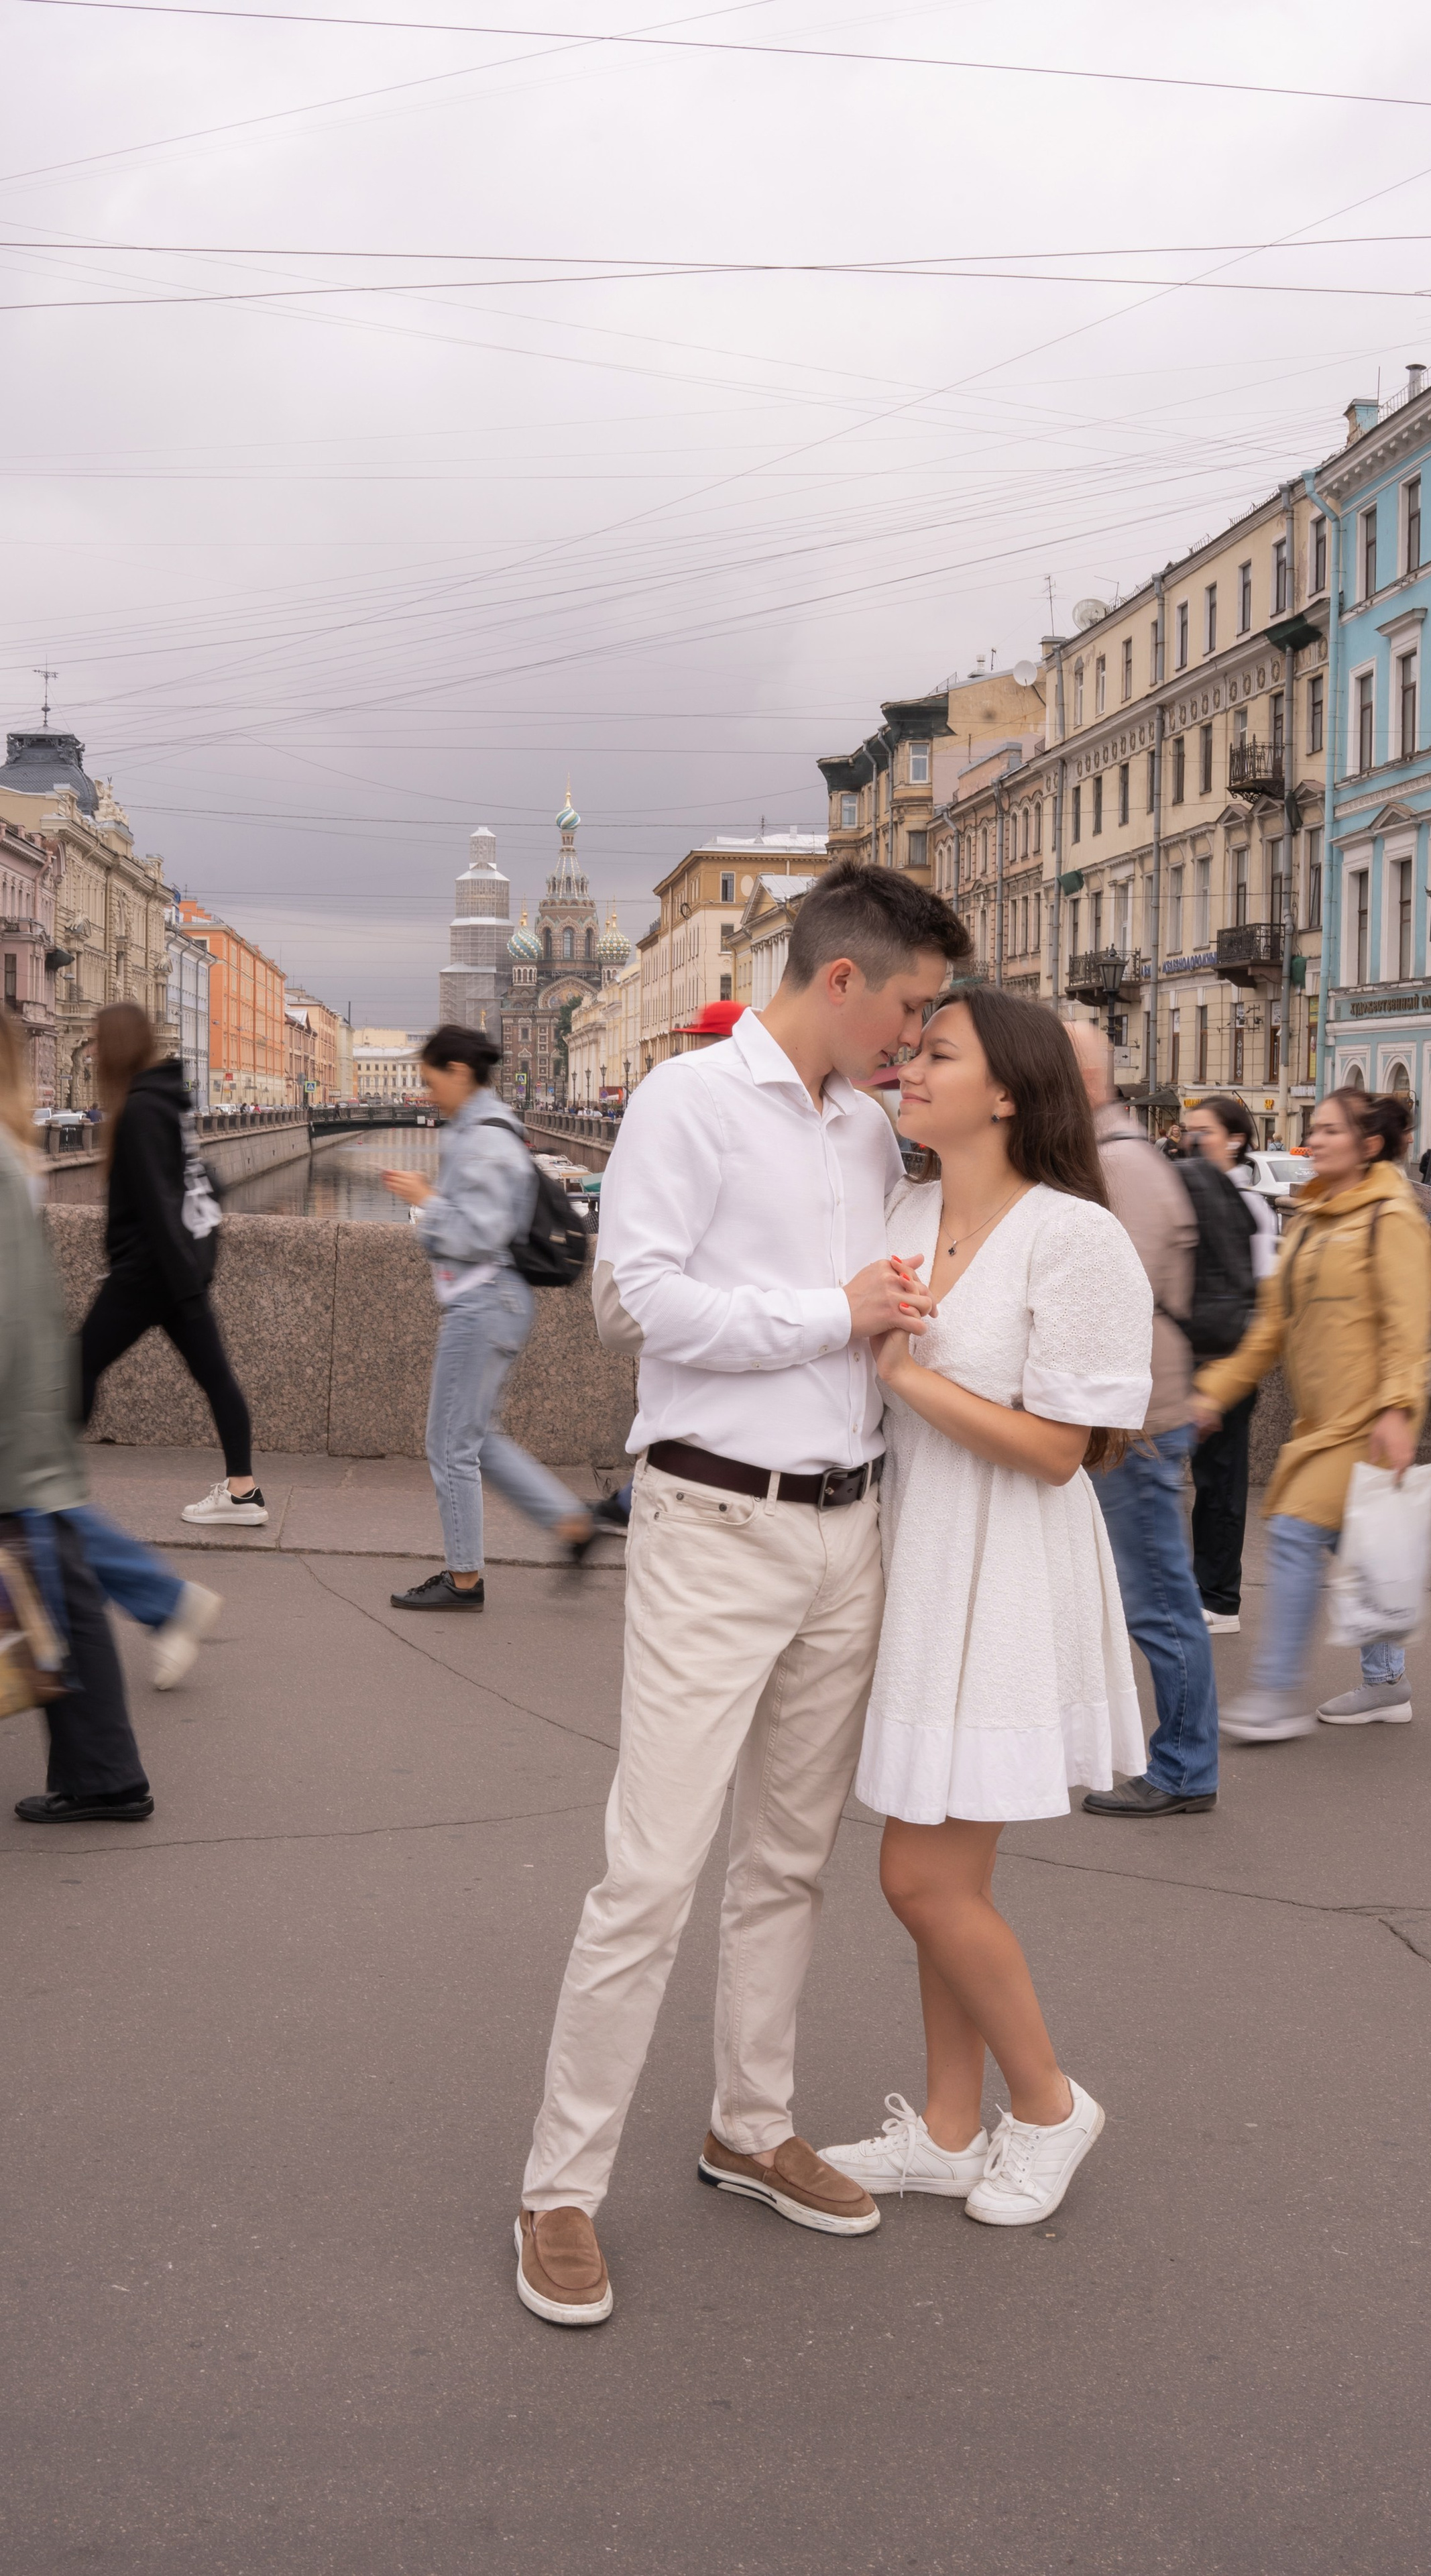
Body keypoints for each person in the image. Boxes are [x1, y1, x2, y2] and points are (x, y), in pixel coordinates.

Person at [516, 859, 966, 2329]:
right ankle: (558, 2190)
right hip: (716, 1519)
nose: (915, 1036)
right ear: (841, 981)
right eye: (909, 1007)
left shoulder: (867, 1130)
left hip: (851, 1528)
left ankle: (748, 2122)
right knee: (650, 1871)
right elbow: (628, 1301)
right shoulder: (685, 1103)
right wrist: (827, 1315)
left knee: (787, 1860)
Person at [819, 991, 1152, 2222]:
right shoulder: (906, 1210)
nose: (906, 1067)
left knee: (923, 1880)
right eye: (909, 1052)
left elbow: (1065, 1447)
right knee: (941, 1875)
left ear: (1008, 1091)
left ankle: (1052, 2105)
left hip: (1008, 1566)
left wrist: (902, 1371)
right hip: (925, 1554)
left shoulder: (1073, 1235)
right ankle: (951, 2131)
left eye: (934, 1054)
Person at [1193, 1087, 1431, 1742]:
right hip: (1321, 1419)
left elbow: (1409, 1327)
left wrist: (1396, 1408)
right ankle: (1386, 1683)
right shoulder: (1314, 1216)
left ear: (1370, 1145)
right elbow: (1271, 1328)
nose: (1314, 1140)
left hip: (1366, 1420)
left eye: (1329, 1130)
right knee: (1359, 1548)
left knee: (1298, 1533)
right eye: (1313, 1129)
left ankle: (1272, 1695)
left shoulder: (1392, 1218)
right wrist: (1213, 1392)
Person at [1062, 1022, 1220, 1819]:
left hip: (1136, 1420)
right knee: (1144, 1593)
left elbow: (1101, 1302)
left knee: (1158, 1600)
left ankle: (1186, 1767)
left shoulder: (1117, 1167)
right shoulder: (1131, 1156)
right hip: (1143, 1412)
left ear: (1080, 1078)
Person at [0, 1009, 154, 1825]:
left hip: (16, 1419)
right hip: (29, 1415)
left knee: (60, 1589)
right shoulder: (10, 1151)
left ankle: (107, 1774)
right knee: (64, 1586)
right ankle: (105, 1774)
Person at [381, 1026, 595, 1606]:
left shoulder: (485, 1140)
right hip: (489, 1301)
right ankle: (573, 1523)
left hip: (484, 1302)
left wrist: (426, 1200)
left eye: (430, 1081)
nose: (427, 1094)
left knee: (449, 1443)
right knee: (476, 1439)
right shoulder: (480, 1129)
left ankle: (464, 1578)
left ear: (458, 1071)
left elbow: (482, 1232)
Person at [78, 1003, 264, 1530]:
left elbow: (160, 1204)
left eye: (96, 1042)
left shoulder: (139, 1108)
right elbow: (205, 1181)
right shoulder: (168, 1102)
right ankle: (243, 1493)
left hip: (149, 1273)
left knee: (79, 1364)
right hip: (180, 1270)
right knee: (217, 1378)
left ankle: (46, 1485)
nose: (92, 1052)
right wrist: (191, 1277)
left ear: (114, 1046)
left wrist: (175, 1280)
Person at [1181, 1094, 1271, 1633]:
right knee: (1205, 1480)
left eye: (1206, 1132)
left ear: (1235, 1138)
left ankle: (1220, 1598)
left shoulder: (1249, 1203)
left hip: (1226, 1364)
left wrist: (1225, 1380)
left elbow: (1258, 1294)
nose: (1194, 1141)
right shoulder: (1197, 1189)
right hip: (1203, 1360)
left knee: (1220, 1482)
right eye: (1190, 1131)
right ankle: (1204, 1588)